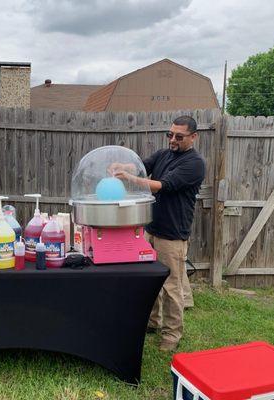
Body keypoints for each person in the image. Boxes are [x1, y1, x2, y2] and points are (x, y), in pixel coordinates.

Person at [108, 115, 205, 352]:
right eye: (170, 134)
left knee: (171, 286)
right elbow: (142, 165)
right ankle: (152, 322)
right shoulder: (164, 154)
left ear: (193, 137)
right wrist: (123, 167)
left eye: (179, 137)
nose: (173, 139)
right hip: (151, 228)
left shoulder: (194, 163)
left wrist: (131, 178)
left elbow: (164, 185)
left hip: (172, 234)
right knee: (150, 281)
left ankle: (172, 335)